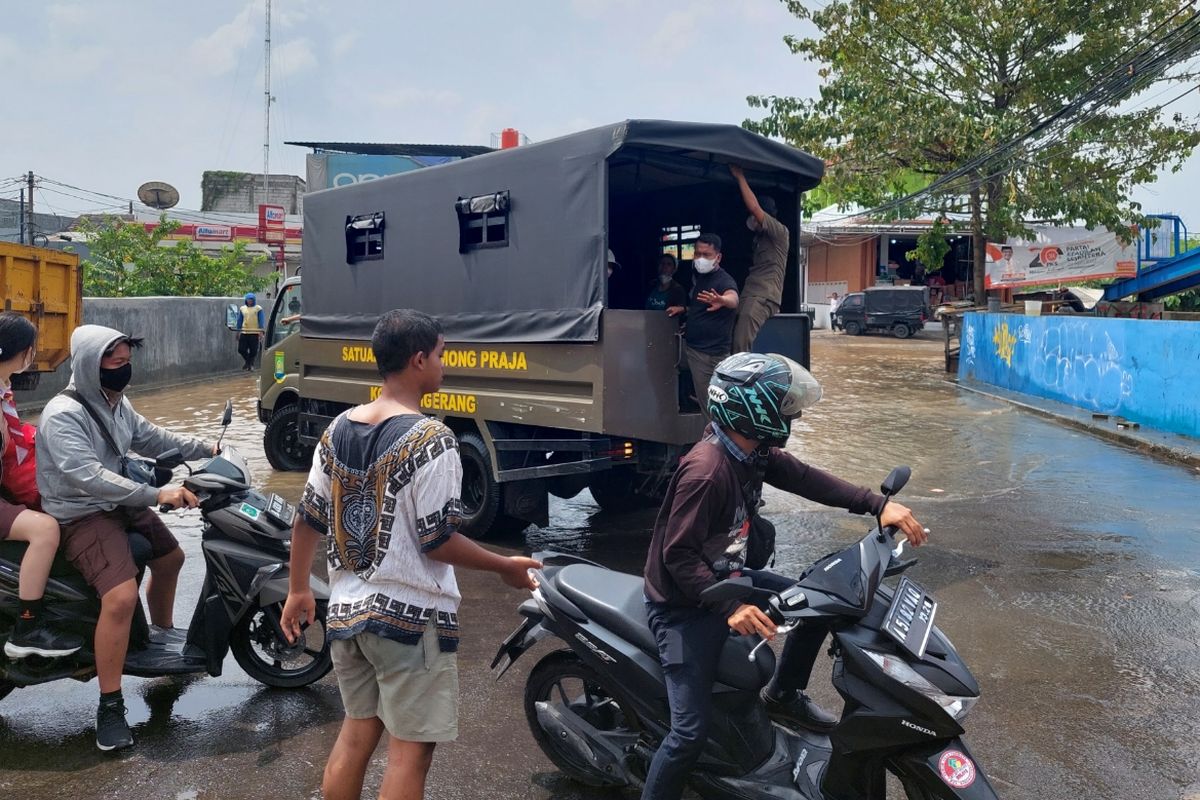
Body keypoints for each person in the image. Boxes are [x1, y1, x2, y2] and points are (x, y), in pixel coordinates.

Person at [640, 352, 928, 800]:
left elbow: (808, 479)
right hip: (683, 606)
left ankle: (784, 695)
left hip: (729, 575)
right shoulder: (706, 471)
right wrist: (729, 606)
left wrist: (877, 504)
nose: (790, 413)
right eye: (782, 405)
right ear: (751, 410)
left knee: (818, 600)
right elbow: (677, 555)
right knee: (688, 735)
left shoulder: (751, 452)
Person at [280, 309, 541, 800]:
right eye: (441, 355)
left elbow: (306, 518)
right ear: (419, 360)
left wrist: (298, 589)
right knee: (409, 754)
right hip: (410, 622)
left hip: (345, 615)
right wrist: (505, 566)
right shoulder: (432, 438)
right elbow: (437, 539)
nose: (445, 365)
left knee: (357, 734)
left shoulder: (336, 429)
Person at [37, 325, 218, 751]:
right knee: (119, 597)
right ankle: (110, 705)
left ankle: (161, 636)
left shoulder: (115, 402)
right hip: (81, 514)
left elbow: (152, 437)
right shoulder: (64, 415)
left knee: (172, 558)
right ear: (88, 365)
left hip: (118, 503)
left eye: (126, 361)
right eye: (114, 363)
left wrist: (206, 448)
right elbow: (90, 478)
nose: (123, 370)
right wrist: (158, 494)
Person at [0, 313, 84, 660]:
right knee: (46, 529)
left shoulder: (3, 386)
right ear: (24, 352)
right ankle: (27, 627)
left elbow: (17, 437)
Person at [729, 165, 790, 353]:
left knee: (741, 344)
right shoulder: (759, 239)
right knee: (731, 336)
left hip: (763, 296)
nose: (752, 220)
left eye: (755, 217)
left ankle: (740, 380)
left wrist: (739, 176)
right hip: (750, 293)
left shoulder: (779, 231)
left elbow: (754, 207)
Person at [683, 233, 738, 417]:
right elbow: (698, 308)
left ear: (718, 257)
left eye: (706, 255)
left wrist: (722, 300)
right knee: (708, 404)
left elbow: (734, 299)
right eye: (697, 254)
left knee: (716, 407)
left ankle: (717, 443)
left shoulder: (724, 280)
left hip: (712, 356)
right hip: (694, 350)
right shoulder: (700, 278)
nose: (700, 259)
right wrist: (683, 309)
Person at [235, 292, 265, 371]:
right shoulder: (242, 308)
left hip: (254, 332)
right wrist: (238, 332)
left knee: (253, 351)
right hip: (245, 332)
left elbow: (261, 320)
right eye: (248, 299)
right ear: (246, 300)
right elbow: (239, 320)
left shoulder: (258, 308)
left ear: (254, 300)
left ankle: (249, 364)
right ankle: (249, 363)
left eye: (251, 300)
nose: (249, 301)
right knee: (241, 349)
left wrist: (261, 331)